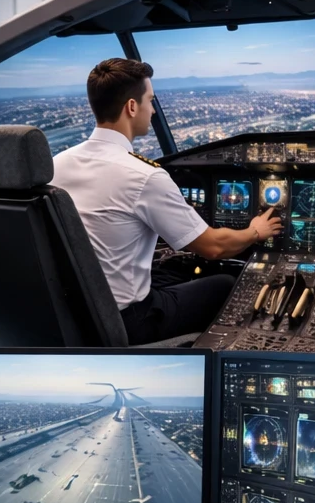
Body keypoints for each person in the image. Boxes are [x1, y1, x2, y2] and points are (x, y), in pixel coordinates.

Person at [52, 58, 282, 344]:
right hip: (126, 322)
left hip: (74, 309)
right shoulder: (143, 176)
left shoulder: (56, 165)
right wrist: (256, 231)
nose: (152, 110)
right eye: (150, 100)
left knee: (175, 270)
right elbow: (214, 247)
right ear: (131, 107)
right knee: (224, 285)